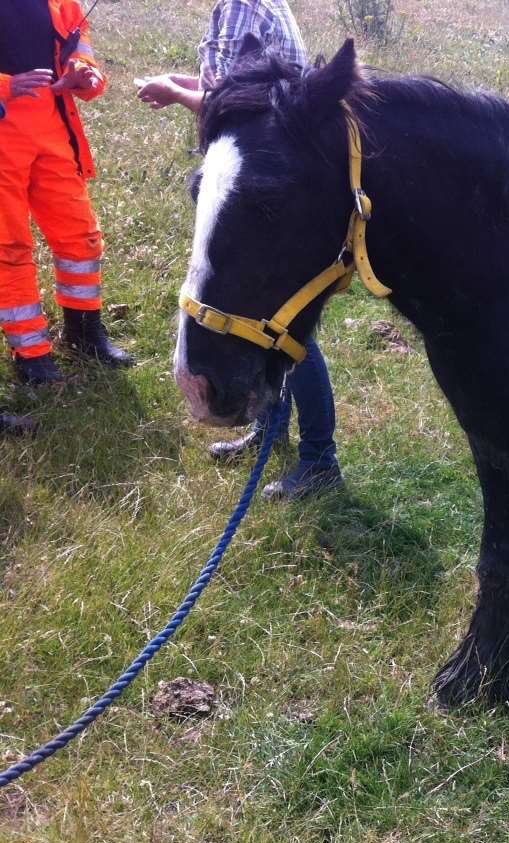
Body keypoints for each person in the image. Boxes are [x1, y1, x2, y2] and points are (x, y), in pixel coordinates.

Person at [136, 0, 344, 502]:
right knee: (269, 325)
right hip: (260, 178)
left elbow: (238, 106)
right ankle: (269, 426)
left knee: (286, 332)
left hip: (259, 183)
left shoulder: (240, 6)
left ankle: (319, 459)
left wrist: (176, 92)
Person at [0, 0, 134, 388]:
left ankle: (84, 334)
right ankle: (31, 354)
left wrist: (83, 72)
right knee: (9, 248)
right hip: (4, 129)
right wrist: (6, 86)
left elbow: (79, 41)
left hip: (53, 127)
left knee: (81, 238)